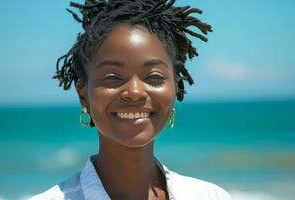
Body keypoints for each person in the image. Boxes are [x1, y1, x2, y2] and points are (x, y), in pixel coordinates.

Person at [29, 0, 231, 199]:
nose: (134, 92)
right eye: (112, 78)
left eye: (154, 77)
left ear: (175, 87)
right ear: (84, 95)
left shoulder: (210, 196)